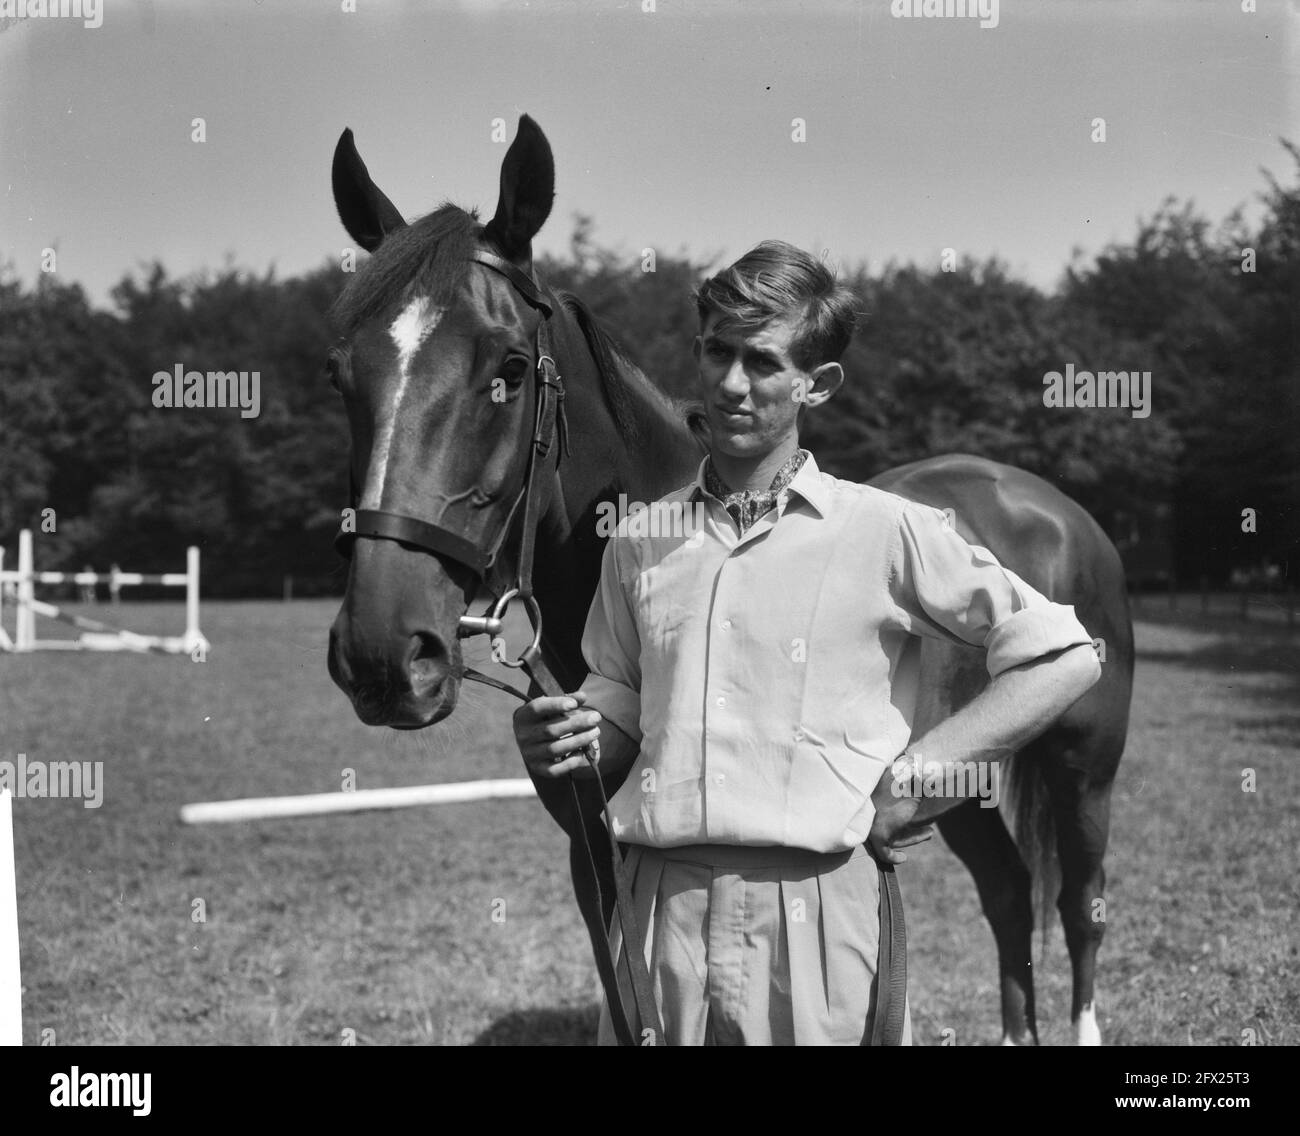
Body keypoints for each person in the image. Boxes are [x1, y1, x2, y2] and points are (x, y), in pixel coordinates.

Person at [512, 240, 1102, 1046]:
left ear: (816, 384)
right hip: (660, 907)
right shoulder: (638, 540)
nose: (730, 385)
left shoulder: (887, 530)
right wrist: (568, 730)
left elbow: (1061, 653)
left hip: (819, 908)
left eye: (761, 362)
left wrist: (922, 774)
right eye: (717, 352)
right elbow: (618, 697)